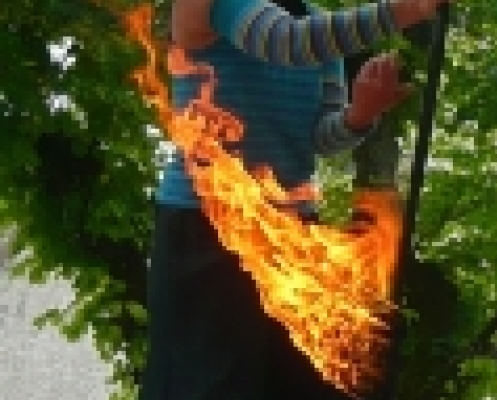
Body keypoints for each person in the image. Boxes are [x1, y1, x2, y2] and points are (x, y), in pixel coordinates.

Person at [139, 0, 450, 399]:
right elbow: (285, 41)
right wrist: (409, 9)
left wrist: (360, 114)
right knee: (211, 386)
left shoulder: (319, 24)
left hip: (292, 235)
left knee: (296, 383)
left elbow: (320, 137)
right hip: (208, 230)